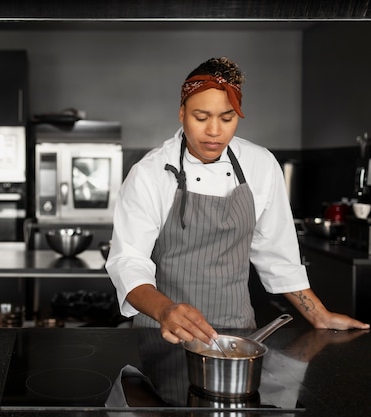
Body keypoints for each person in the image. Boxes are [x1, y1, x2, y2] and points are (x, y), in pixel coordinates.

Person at [105, 57, 369, 345]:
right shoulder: (150, 173)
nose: (215, 131)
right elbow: (128, 260)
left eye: (227, 118)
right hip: (163, 332)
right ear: (182, 113)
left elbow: (276, 254)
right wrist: (164, 309)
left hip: (236, 334)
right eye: (201, 117)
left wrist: (319, 315)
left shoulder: (260, 164)